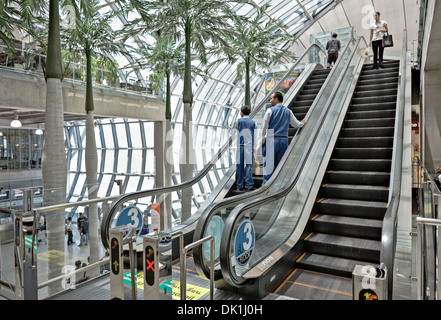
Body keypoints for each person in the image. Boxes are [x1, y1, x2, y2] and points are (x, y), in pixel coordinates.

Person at [259, 91, 306, 185]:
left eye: (271, 98)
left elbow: (264, 128)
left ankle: (265, 187)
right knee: (280, 166)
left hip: (271, 140)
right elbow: (296, 124)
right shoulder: (289, 111)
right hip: (284, 141)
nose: (270, 100)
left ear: (276, 99)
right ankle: (278, 186)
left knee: (268, 166)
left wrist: (262, 141)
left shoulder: (270, 110)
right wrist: (302, 123)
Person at [234, 105, 256, 191]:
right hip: (249, 146)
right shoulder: (253, 122)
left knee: (239, 166)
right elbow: (255, 135)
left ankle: (239, 186)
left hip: (240, 146)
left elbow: (233, 132)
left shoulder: (238, 121)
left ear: (242, 113)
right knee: (249, 166)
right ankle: (249, 185)